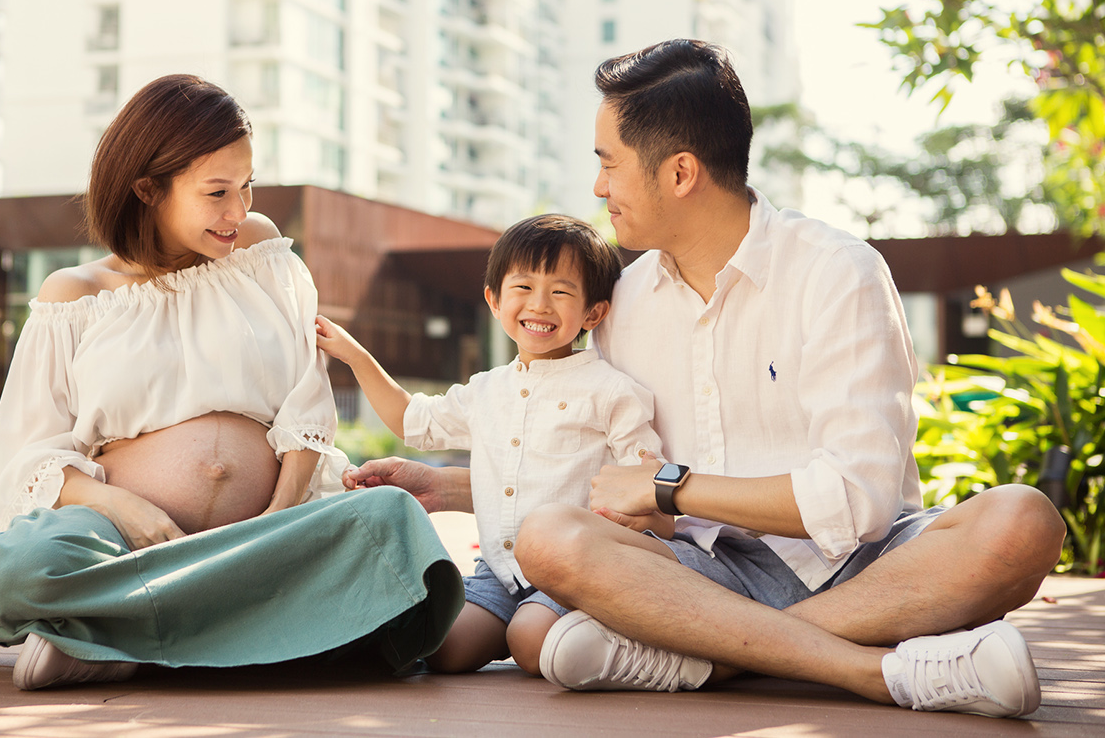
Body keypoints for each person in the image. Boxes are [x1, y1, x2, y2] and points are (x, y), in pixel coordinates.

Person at [346, 40, 1066, 717]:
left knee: (1021, 522)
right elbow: (593, 472)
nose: (599, 187)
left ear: (680, 172)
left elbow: (859, 502)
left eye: (610, 163)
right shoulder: (621, 305)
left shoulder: (837, 272)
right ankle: (872, 667)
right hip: (694, 571)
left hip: (866, 566)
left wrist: (672, 486)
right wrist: (450, 486)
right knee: (549, 539)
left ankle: (717, 658)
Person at [0, 74, 463, 690]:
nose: (239, 212)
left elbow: (306, 402)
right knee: (21, 565)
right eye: (217, 192)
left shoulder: (262, 256)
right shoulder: (76, 297)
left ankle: (108, 637)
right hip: (121, 540)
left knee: (391, 526)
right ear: (149, 189)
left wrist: (270, 520)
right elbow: (28, 457)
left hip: (276, 530)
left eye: (248, 186)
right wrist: (125, 508)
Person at [317, 214, 666, 674]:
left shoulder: (610, 390)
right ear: (495, 300)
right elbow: (411, 420)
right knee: (443, 649)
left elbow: (649, 484)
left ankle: (623, 640)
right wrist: (354, 355)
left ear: (593, 313)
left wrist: (636, 514)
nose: (539, 305)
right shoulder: (485, 390)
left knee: (529, 637)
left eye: (561, 292)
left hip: (569, 574)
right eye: (522, 288)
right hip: (499, 572)